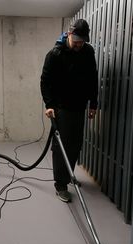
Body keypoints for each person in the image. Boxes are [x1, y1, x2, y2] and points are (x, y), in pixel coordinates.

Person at [40, 19, 98, 202]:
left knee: (76, 144)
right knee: (61, 147)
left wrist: (94, 104)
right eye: (77, 41)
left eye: (83, 41)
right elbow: (45, 82)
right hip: (61, 108)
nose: (80, 44)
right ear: (69, 34)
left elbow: (92, 79)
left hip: (79, 107)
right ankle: (60, 185)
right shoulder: (55, 54)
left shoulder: (88, 52)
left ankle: (69, 175)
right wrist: (49, 104)